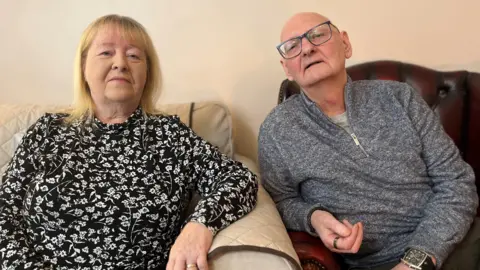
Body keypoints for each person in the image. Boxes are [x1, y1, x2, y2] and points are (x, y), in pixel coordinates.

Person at [0, 14, 258, 270]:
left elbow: (240, 180)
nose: (120, 63)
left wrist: (200, 225)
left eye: (134, 55)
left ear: (147, 73)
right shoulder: (48, 131)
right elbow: (5, 211)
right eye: (105, 53)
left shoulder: (170, 136)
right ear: (83, 68)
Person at [258, 12, 479, 270]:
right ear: (287, 69)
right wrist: (314, 218)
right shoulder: (277, 129)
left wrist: (417, 259)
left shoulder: (400, 97)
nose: (306, 48)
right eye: (292, 46)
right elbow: (281, 201)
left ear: (346, 44)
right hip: (376, 263)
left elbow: (456, 181)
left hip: (456, 241)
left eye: (317, 35)